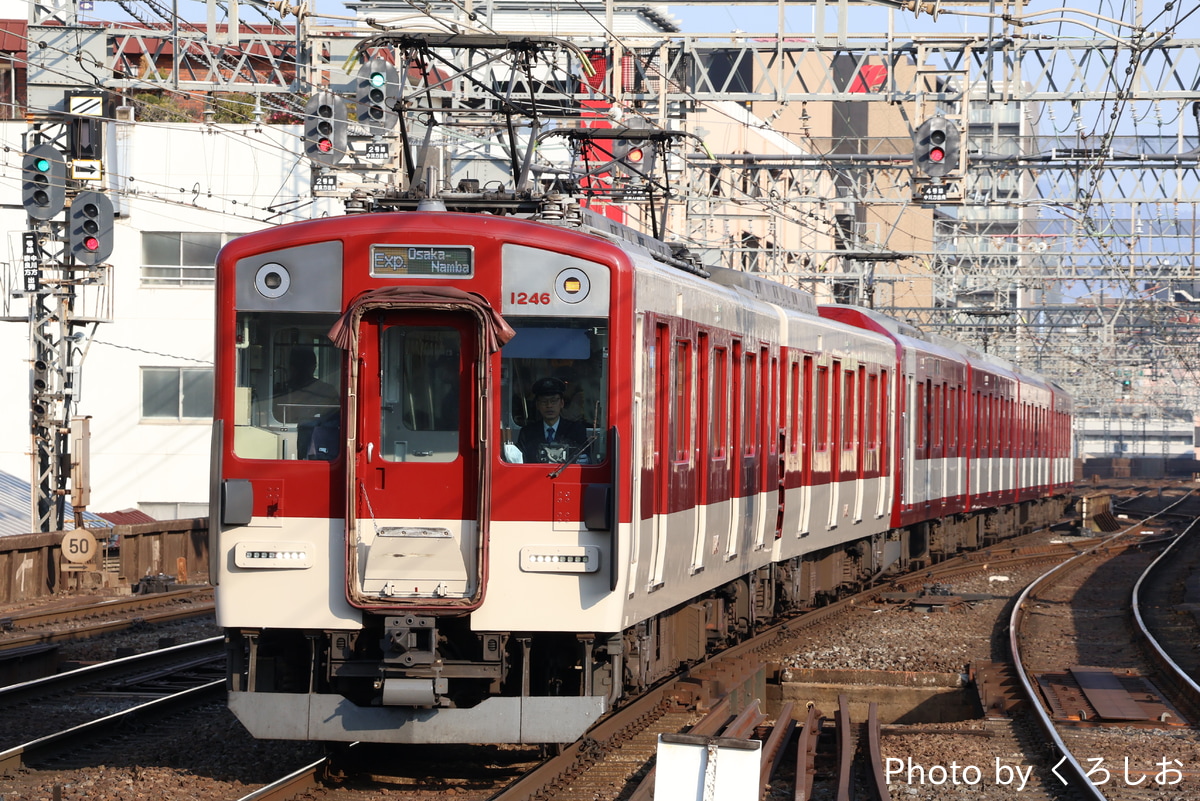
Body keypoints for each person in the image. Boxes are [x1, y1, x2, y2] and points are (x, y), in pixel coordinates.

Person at [516, 377, 589, 463]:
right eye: (544, 401)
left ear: (561, 403)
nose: (549, 405)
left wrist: (587, 460)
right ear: (537, 405)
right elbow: (521, 462)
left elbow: (586, 456)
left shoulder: (576, 430)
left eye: (553, 401)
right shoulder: (527, 433)